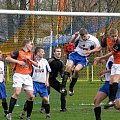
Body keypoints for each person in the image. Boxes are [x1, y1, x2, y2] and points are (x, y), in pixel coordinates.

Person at [61, 28, 101, 96]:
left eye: (84, 36)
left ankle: (71, 87)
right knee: (68, 66)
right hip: (75, 54)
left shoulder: (94, 40)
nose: (83, 38)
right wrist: (75, 37)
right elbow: (71, 42)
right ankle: (63, 87)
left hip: (84, 57)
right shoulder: (78, 36)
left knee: (76, 70)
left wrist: (90, 51)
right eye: (82, 37)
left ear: (87, 34)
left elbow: (99, 48)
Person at [6, 39, 38, 120]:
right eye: (31, 44)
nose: (32, 46)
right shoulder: (18, 52)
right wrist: (18, 62)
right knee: (17, 93)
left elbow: (36, 64)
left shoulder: (31, 54)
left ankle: (28, 116)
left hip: (27, 76)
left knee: (31, 96)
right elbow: (7, 58)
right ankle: (9, 113)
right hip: (18, 75)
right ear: (26, 44)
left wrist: (30, 59)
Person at [89, 28, 120, 109]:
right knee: (111, 81)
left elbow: (111, 53)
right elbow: (99, 48)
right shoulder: (107, 40)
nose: (115, 38)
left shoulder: (118, 42)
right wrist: (90, 52)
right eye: (113, 36)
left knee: (115, 80)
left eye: (116, 36)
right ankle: (111, 100)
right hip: (116, 64)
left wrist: (100, 58)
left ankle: (112, 100)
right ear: (109, 36)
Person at [20, 46, 51, 119]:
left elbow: (48, 72)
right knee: (31, 97)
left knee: (46, 100)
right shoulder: (32, 61)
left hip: (42, 84)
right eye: (42, 52)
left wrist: (47, 80)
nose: (43, 53)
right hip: (33, 83)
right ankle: (26, 113)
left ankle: (48, 114)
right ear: (38, 53)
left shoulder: (45, 61)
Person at [40, 47, 67, 112]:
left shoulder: (61, 62)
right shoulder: (49, 60)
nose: (59, 53)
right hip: (46, 79)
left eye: (60, 51)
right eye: (57, 51)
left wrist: (65, 76)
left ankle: (63, 108)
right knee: (47, 91)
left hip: (53, 80)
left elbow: (62, 73)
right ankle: (43, 108)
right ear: (54, 53)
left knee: (64, 91)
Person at [0, 51, 8, 117]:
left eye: (1, 53)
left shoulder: (2, 63)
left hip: (1, 83)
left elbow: (2, 72)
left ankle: (6, 112)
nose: (1, 54)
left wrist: (3, 77)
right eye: (0, 53)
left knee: (4, 98)